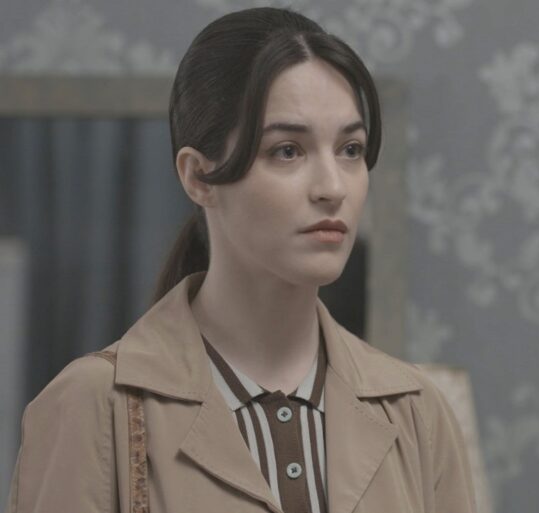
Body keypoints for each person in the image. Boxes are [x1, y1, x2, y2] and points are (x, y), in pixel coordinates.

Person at [4, 7, 476, 513]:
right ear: (198, 177)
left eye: (350, 149)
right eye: (288, 150)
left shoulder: (417, 413)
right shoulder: (96, 407)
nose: (333, 187)